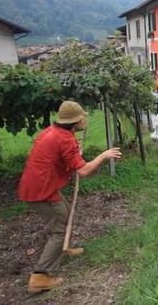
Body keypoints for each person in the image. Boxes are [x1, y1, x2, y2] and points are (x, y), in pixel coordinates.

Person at [18, 101, 122, 293]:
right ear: (75, 121)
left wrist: (75, 153)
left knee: (65, 214)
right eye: (82, 116)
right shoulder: (65, 138)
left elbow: (63, 156)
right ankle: (40, 276)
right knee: (60, 228)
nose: (85, 118)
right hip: (40, 190)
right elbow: (83, 171)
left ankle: (63, 247)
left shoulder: (55, 132)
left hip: (39, 185)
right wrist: (104, 155)